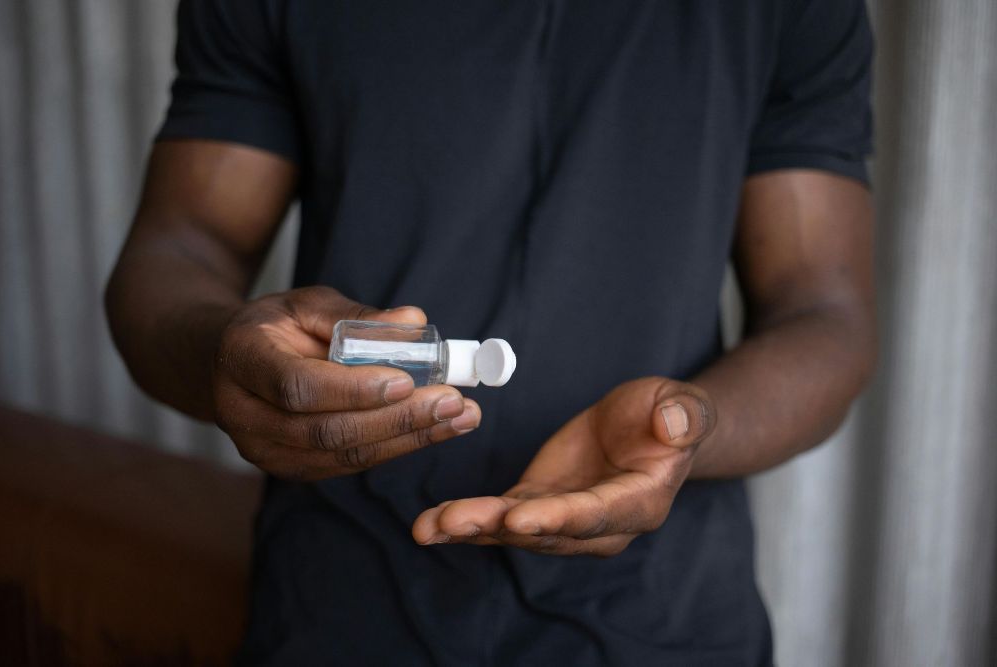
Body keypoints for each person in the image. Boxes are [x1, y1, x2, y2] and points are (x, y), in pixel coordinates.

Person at [105, 0, 876, 664]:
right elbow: (180, 248)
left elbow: (823, 312)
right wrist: (225, 357)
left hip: (663, 617)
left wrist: (685, 431)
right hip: (339, 602)